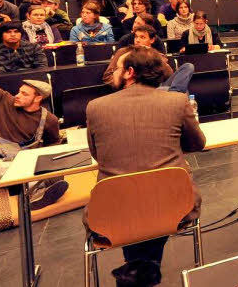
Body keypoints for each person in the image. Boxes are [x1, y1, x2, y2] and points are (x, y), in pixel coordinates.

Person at [86, 46, 205, 279]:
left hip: (112, 213)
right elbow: (197, 144)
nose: (114, 73)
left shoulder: (96, 107)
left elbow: (98, 155)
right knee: (155, 200)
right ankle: (145, 267)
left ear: (130, 72)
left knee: (134, 202)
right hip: (175, 206)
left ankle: (140, 267)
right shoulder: (178, 101)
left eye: (118, 69)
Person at [0, 41, 64, 202]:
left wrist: (48, 162)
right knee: (20, 170)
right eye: (19, 91)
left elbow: (54, 143)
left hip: (22, 161)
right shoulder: (3, 101)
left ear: (38, 98)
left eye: (24, 94)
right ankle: (36, 195)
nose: (17, 95)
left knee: (49, 169)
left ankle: (42, 186)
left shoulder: (48, 119)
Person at [103, 27, 195, 93]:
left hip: (158, 87)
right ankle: (176, 95)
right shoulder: (123, 52)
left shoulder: (154, 54)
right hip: (136, 89)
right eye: (136, 37)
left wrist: (158, 58)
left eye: (142, 37)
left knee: (188, 66)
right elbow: (107, 77)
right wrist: (123, 82)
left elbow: (169, 75)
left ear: (152, 40)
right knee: (183, 90)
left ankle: (175, 93)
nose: (137, 40)